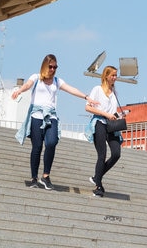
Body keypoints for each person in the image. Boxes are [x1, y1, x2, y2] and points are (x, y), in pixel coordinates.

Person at [12, 54, 90, 190]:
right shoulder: (36, 78)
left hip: (51, 116)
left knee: (52, 142)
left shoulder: (57, 81)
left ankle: (46, 176)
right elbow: (28, 85)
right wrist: (19, 91)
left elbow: (71, 89)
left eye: (55, 67)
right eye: (51, 66)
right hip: (36, 115)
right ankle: (34, 178)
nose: (53, 69)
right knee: (37, 147)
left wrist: (86, 97)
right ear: (45, 66)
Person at [84, 65, 124, 197]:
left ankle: (97, 176)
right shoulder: (97, 89)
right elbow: (88, 108)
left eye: (115, 75)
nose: (115, 77)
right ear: (106, 76)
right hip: (99, 123)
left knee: (116, 153)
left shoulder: (115, 93)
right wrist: (105, 114)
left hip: (111, 125)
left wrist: (119, 115)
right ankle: (98, 185)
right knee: (102, 154)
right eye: (112, 75)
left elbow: (113, 111)